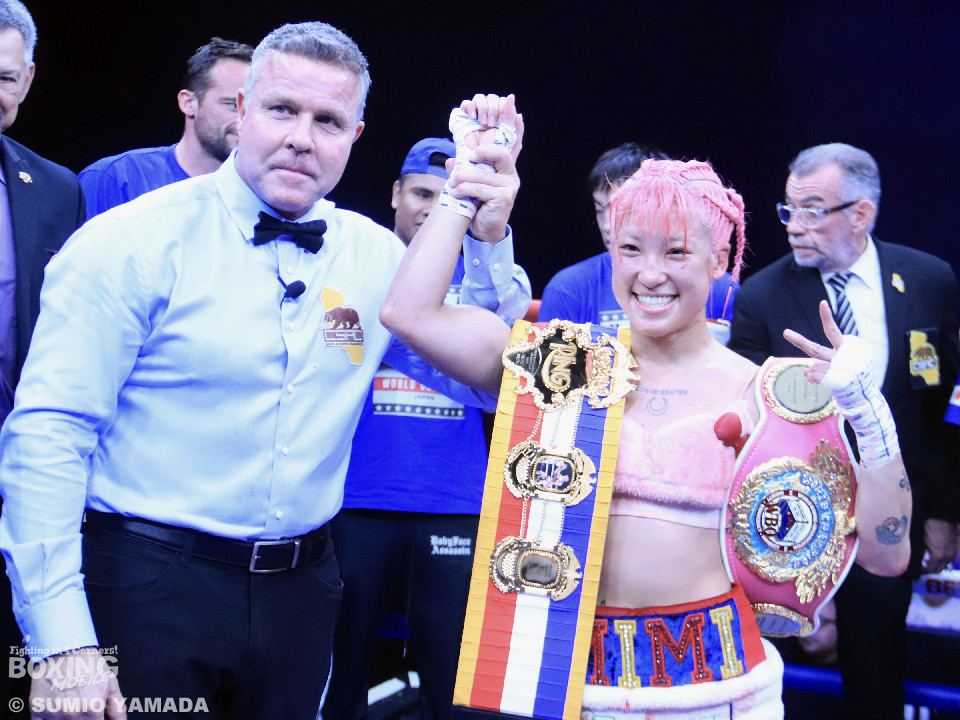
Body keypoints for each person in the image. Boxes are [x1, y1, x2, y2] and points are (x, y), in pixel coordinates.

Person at [0, 23, 520, 720]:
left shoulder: (372, 256)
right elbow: (48, 435)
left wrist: (486, 232)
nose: (302, 138)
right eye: (282, 110)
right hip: (144, 584)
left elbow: (486, 379)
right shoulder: (130, 242)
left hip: (302, 594)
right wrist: (58, 641)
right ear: (241, 112)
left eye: (327, 120)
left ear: (355, 135)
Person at [380, 95, 913, 719]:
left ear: (719, 260)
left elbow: (886, 555)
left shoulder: (769, 393)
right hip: (565, 681)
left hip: (719, 693)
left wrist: (869, 414)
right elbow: (409, 314)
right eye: (631, 249)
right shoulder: (564, 369)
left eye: (676, 252)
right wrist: (464, 187)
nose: (650, 273)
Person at [728, 142, 960, 720]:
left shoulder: (929, 280)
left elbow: (942, 410)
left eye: (811, 210)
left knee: (876, 677)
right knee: (769, 677)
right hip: (786, 524)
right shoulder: (761, 297)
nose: (793, 226)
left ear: (860, 213)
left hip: (891, 519)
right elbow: (747, 427)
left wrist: (943, 511)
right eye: (788, 210)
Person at [324, 137, 530, 719]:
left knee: (455, 682)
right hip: (354, 498)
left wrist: (403, 337)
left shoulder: (489, 280)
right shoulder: (351, 267)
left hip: (455, 502)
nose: (431, 209)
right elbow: (338, 356)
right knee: (335, 672)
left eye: (448, 198)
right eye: (421, 194)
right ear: (395, 193)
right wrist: (435, 345)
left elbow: (510, 353)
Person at [0, 1, 86, 714]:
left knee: (20, 678)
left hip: (23, 484)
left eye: (3, 77)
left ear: (27, 80)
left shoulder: (57, 188)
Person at [538, 142, 738, 343]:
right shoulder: (569, 287)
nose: (608, 224)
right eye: (600, 209)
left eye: (677, 251)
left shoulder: (724, 290)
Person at [78, 36, 253, 218]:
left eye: (254, 108)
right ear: (188, 103)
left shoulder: (263, 194)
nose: (245, 120)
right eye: (233, 105)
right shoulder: (115, 178)